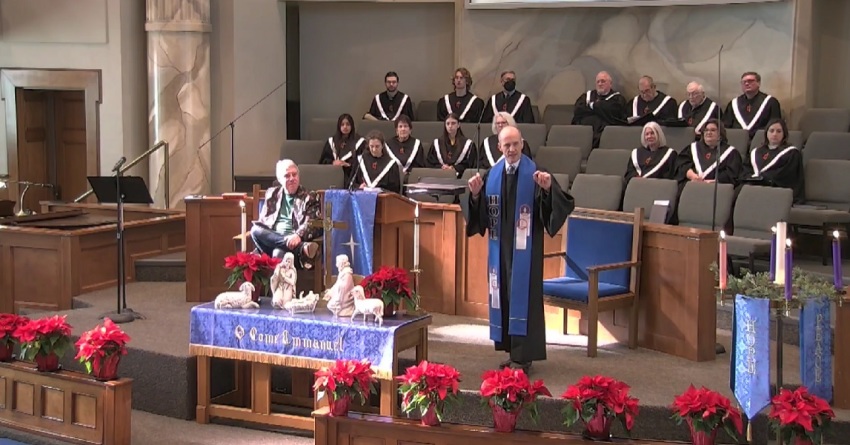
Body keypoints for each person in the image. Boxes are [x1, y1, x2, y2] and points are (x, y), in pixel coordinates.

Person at [465, 126, 574, 374]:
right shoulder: (492, 175)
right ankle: (513, 352)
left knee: (523, 297)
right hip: (500, 250)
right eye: (507, 145)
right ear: (499, 148)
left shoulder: (536, 173)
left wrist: (547, 190)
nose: (512, 149)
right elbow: (479, 215)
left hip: (526, 251)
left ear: (522, 144)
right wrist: (474, 196)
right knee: (503, 295)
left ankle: (524, 357)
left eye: (515, 144)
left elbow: (559, 206)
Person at [250, 160, 321, 269]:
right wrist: (285, 240)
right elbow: (263, 224)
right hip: (268, 245)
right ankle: (301, 248)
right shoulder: (272, 194)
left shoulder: (309, 197)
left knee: (278, 253)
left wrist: (298, 235)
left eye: (294, 174)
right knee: (255, 230)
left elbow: (313, 224)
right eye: (287, 176)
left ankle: (295, 249)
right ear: (279, 179)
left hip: (293, 252)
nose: (292, 178)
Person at [743, 118, 804, 203]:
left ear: (784, 134)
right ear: (766, 133)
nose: (774, 134)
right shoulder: (756, 152)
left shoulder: (791, 153)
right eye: (771, 131)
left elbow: (787, 175)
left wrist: (764, 179)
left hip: (775, 189)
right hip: (754, 188)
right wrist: (750, 178)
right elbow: (746, 169)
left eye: (779, 131)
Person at [675, 119, 744, 188]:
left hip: (717, 189)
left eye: (713, 130)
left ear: (720, 134)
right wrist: (691, 175)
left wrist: (717, 180)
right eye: (706, 130)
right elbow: (681, 164)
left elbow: (732, 174)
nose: (709, 132)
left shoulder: (731, 153)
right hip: (693, 186)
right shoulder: (692, 148)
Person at [572, 71, 627, 148]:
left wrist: (592, 106)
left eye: (603, 81)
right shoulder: (586, 96)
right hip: (584, 133)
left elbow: (612, 112)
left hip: (604, 135)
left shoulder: (617, 99)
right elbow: (578, 109)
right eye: (598, 81)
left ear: (610, 83)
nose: (600, 84)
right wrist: (598, 109)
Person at [722, 71, 782, 139]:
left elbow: (775, 126)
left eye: (750, 81)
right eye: (744, 82)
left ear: (758, 83)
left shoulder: (771, 102)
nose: (747, 83)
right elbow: (726, 126)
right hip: (737, 142)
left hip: (761, 142)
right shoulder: (733, 104)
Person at [318, 113, 365, 186]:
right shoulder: (331, 141)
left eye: (348, 124)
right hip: (333, 174)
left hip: (351, 176)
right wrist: (333, 163)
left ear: (352, 126)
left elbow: (362, 163)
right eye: (342, 125)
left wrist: (348, 164)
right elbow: (323, 161)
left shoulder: (360, 142)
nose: (345, 127)